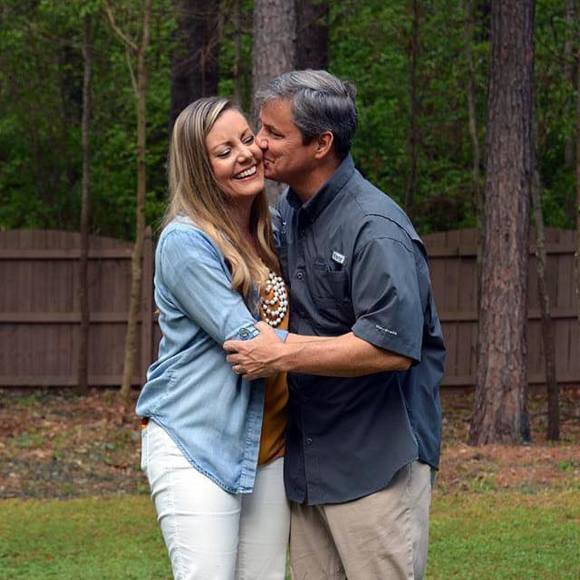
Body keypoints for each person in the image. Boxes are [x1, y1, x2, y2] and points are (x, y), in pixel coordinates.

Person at [224, 70, 446, 580]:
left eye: (274, 133)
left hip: (376, 464)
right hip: (310, 465)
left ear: (321, 144)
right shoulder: (287, 214)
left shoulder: (375, 228)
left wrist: (281, 352)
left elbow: (392, 347)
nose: (258, 144)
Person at [136, 96, 291, 580]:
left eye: (246, 139)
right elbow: (245, 340)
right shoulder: (185, 241)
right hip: (197, 442)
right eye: (224, 152)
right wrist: (344, 351)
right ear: (200, 169)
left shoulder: (269, 232)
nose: (245, 154)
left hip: (268, 447)